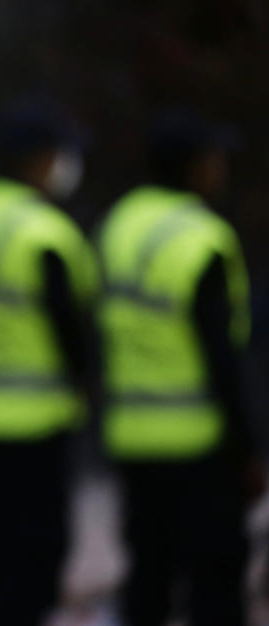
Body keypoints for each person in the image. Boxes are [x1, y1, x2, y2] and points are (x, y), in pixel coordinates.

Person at [98, 108, 262, 625]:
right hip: (198, 441)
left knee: (148, 576)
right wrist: (249, 447)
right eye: (214, 158)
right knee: (215, 582)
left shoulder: (119, 224)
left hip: (132, 433)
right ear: (192, 166)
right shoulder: (201, 238)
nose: (222, 169)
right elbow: (222, 355)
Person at [0, 97, 99, 625]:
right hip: (39, 414)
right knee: (40, 546)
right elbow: (70, 329)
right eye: (59, 153)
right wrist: (87, 382)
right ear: (36, 159)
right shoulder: (43, 230)